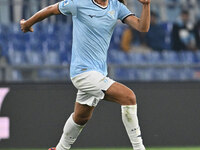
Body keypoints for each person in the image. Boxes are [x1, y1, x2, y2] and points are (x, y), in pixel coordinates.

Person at [20, 0, 150, 149]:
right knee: (128, 97)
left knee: (81, 117)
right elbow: (51, 9)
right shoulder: (79, 3)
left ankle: (60, 148)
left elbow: (142, 27)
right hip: (82, 72)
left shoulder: (116, 6)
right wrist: (28, 23)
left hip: (98, 73)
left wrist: (146, 5)